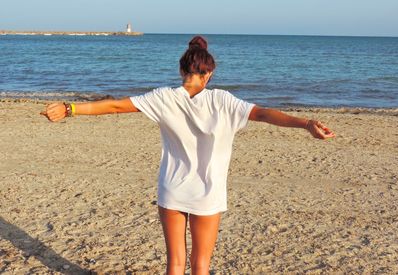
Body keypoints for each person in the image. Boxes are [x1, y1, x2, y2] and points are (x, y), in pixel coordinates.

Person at [41, 35, 335, 275]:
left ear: (182, 70)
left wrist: (70, 109)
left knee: (175, 264)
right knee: (201, 266)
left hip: (171, 190)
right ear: (209, 73)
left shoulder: (163, 98)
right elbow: (264, 114)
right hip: (208, 194)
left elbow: (115, 106)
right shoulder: (223, 101)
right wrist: (306, 124)